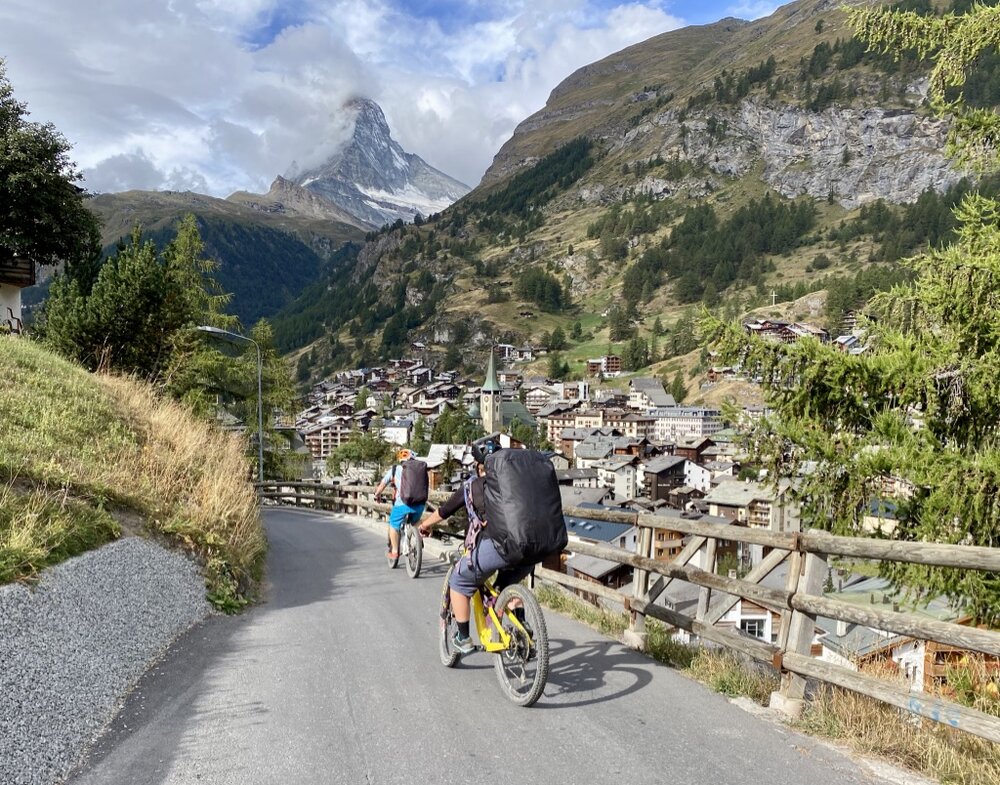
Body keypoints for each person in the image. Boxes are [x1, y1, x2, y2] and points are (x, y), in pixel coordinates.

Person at [419, 437, 534, 654]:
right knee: (506, 587)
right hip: (529, 548)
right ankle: (523, 629)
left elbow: (444, 511)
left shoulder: (473, 486)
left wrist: (425, 525)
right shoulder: (515, 484)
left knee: (459, 582)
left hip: (496, 547)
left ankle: (463, 637)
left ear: (478, 465)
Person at [374, 448, 427, 560]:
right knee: (416, 521)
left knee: (393, 524)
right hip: (419, 504)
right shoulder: (419, 470)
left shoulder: (395, 469)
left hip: (402, 504)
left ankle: (394, 551)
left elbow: (383, 484)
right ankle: (419, 540)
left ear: (400, 459)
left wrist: (377, 494)